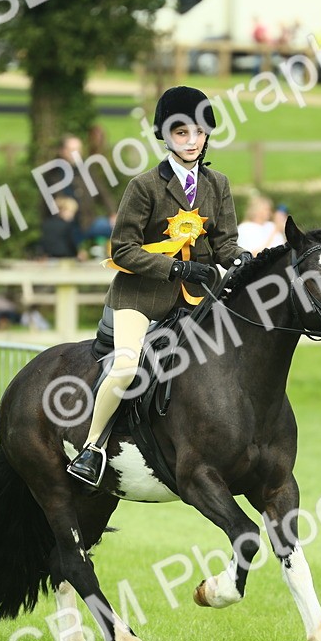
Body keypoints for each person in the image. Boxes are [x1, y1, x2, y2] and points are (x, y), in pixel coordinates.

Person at [66, 85, 251, 486]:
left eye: (198, 133)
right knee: (127, 367)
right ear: (165, 136)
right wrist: (177, 270)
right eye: (182, 133)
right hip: (140, 297)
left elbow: (224, 243)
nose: (191, 141)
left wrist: (240, 257)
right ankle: (92, 448)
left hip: (197, 300)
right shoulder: (145, 186)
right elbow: (123, 249)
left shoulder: (217, 183)